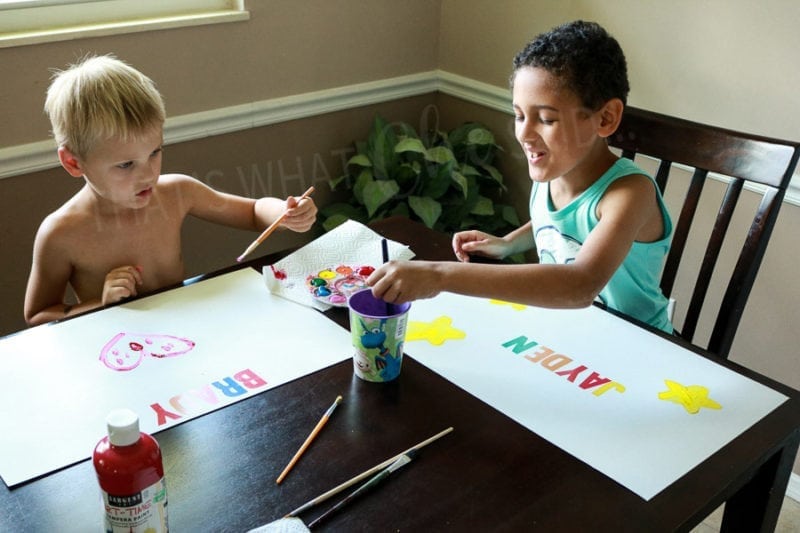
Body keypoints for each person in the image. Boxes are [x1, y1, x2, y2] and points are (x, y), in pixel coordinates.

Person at [368, 20, 674, 332]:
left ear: (605, 118)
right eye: (519, 115)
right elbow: (558, 222)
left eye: (545, 119)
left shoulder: (631, 193)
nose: (525, 134)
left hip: (643, 344)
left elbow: (580, 285)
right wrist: (507, 244)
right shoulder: (555, 172)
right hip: (577, 333)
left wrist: (439, 274)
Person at [24, 55, 317, 326]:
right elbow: (38, 315)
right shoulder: (61, 233)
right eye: (126, 165)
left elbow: (252, 212)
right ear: (73, 162)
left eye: (155, 152)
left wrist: (284, 212)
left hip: (183, 331)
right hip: (120, 349)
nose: (149, 174)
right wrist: (100, 303)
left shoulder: (177, 192)